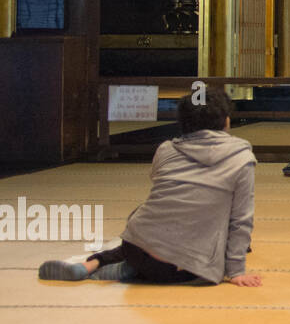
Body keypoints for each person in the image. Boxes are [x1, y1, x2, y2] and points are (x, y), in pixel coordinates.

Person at [39, 87, 260, 287]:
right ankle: (126, 271)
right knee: (221, 241)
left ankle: (94, 264)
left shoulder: (166, 149)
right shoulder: (241, 157)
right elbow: (241, 219)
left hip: (137, 248)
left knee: (147, 218)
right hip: (183, 269)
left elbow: (162, 187)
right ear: (226, 121)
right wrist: (236, 272)